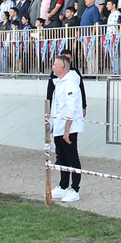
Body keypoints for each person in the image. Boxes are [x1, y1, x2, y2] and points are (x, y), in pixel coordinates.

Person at [49, 54, 85, 203]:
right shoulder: (59, 82)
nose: (52, 67)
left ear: (61, 68)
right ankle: (63, 186)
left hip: (67, 128)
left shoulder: (70, 83)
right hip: (58, 126)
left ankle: (75, 188)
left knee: (72, 157)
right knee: (61, 157)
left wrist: (66, 130)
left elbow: (71, 108)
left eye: (54, 65)